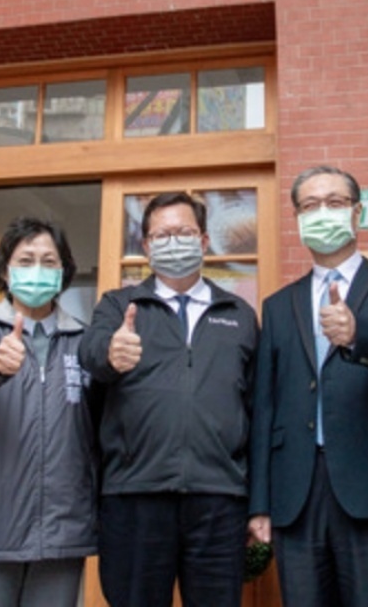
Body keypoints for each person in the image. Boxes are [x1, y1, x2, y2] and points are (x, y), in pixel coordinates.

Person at [248, 165, 368, 607]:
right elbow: (265, 403)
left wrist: (358, 333)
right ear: (297, 219)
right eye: (310, 206)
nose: (322, 212)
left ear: (357, 212)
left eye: (334, 202)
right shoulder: (278, 305)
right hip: (296, 490)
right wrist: (259, 502)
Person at [79, 192, 259, 607]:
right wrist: (110, 352)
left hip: (218, 499)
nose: (173, 242)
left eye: (183, 232)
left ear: (204, 240)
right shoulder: (118, 305)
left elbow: (256, 408)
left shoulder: (238, 313)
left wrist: (256, 500)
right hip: (134, 496)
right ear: (145, 246)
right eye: (161, 235)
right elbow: (89, 354)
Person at [0, 217, 98, 607]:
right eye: (26, 260)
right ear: (5, 271)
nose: (37, 270)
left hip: (63, 525)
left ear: (62, 272)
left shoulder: (84, 340)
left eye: (49, 260)